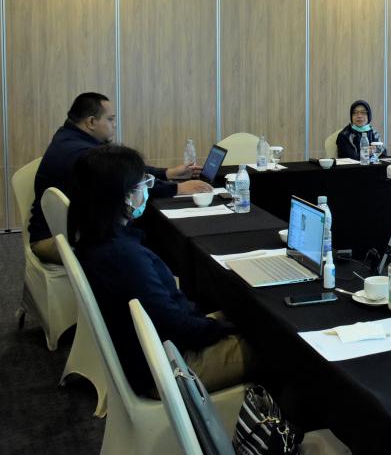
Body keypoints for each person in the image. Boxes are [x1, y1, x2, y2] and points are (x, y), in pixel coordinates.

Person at [68, 145, 252, 396]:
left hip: (153, 353)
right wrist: (224, 329)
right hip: (172, 366)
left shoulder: (95, 239)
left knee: (247, 317)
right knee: (276, 345)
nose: (147, 189)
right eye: (142, 184)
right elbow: (174, 325)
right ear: (124, 196)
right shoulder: (124, 257)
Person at [28, 92, 210, 264]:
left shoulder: (69, 137)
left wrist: (168, 173)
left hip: (63, 229)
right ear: (91, 122)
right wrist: (177, 188)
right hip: (55, 240)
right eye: (110, 119)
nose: (114, 124)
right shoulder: (80, 153)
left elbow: (123, 168)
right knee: (139, 240)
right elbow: (124, 179)